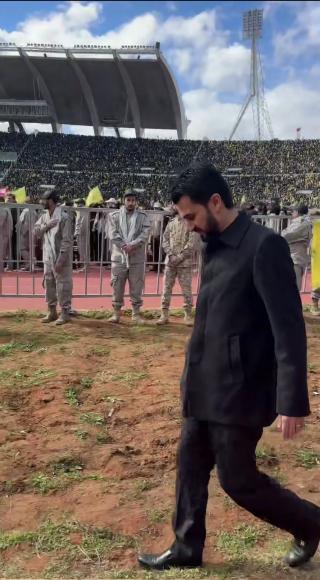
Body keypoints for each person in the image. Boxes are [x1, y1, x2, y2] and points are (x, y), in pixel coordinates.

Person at [138, 162, 320, 571]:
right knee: (189, 464)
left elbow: (288, 328)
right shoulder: (214, 244)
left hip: (241, 389)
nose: (188, 227)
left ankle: (311, 522)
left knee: (237, 480)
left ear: (215, 202)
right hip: (204, 383)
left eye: (191, 216)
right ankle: (186, 547)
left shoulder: (263, 246)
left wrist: (291, 400)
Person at [108, 190, 150, 324]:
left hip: (136, 257)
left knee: (136, 285)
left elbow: (145, 233)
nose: (131, 203)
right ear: (123, 201)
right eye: (128, 200)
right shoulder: (114, 216)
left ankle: (136, 314)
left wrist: (133, 245)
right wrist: (123, 246)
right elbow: (112, 233)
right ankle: (116, 313)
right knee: (117, 285)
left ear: (136, 202)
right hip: (119, 257)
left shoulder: (143, 217)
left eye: (133, 200)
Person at [34, 191, 73, 326]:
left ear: (51, 201)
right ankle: (52, 311)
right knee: (49, 284)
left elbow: (67, 241)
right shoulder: (44, 217)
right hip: (48, 257)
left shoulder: (64, 217)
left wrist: (61, 260)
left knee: (63, 286)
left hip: (61, 258)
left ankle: (65, 313)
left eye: (44, 200)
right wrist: (47, 226)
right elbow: (36, 232)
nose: (41, 202)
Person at [157, 208, 200, 326]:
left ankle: (188, 314)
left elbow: (192, 243)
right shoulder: (171, 223)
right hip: (170, 262)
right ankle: (164, 314)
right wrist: (170, 254)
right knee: (166, 288)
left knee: (186, 289)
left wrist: (180, 257)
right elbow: (164, 239)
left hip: (184, 263)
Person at [282, 204, 312, 291]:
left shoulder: (301, 222)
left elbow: (287, 235)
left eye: (293, 211)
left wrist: (283, 232)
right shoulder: (300, 221)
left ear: (298, 212)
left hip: (296, 254)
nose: (291, 213)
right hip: (294, 252)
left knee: (294, 281)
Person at [0, 197, 12, 272]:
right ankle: (8, 266)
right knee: (6, 251)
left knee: (1, 252)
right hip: (6, 232)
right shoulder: (7, 208)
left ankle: (0, 268)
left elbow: (0, 222)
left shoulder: (2, 208)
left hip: (3, 233)